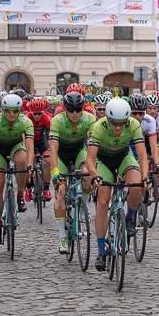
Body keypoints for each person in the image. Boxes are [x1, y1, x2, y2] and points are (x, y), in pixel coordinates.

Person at [87, 98, 149, 271]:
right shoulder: (99, 127)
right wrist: (95, 175)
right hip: (103, 161)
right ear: (107, 119)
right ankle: (101, 252)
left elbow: (143, 155)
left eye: (123, 123)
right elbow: (90, 159)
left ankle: (129, 218)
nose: (119, 127)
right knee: (103, 201)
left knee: (136, 185)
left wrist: (145, 177)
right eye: (115, 123)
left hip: (123, 156)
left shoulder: (134, 125)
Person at [49, 91, 97, 254]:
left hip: (79, 153)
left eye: (78, 110)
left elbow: (93, 144)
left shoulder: (89, 119)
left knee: (88, 175)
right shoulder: (57, 120)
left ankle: (82, 204)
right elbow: (53, 150)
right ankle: (62, 236)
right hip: (61, 155)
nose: (75, 114)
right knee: (61, 192)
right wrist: (55, 171)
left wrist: (94, 167)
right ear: (65, 109)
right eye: (71, 110)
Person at [0, 93, 35, 245]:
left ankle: (20, 194)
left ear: (20, 110)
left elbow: (30, 145)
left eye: (15, 111)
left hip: (15, 147)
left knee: (23, 161)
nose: (11, 114)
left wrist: (31, 165)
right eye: (8, 111)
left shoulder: (26, 121)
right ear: (3, 109)